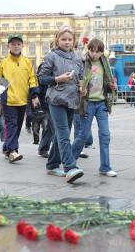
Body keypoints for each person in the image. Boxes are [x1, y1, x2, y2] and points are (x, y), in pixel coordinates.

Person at [38, 25, 84, 183]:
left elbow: (81, 76)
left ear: (74, 41)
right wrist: (58, 79)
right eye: (63, 39)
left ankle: (52, 165)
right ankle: (70, 167)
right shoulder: (51, 56)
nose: (66, 42)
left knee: (60, 134)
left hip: (72, 99)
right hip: (56, 99)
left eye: (69, 39)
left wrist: (82, 86)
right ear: (57, 40)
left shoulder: (77, 57)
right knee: (64, 134)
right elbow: (42, 78)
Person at [71, 38, 117, 177]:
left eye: (97, 52)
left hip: (101, 103)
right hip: (87, 103)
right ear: (88, 49)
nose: (94, 54)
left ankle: (105, 167)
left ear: (102, 52)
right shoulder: (82, 62)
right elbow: (75, 81)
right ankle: (69, 161)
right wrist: (80, 89)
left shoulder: (105, 63)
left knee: (105, 135)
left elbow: (107, 82)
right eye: (92, 50)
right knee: (83, 135)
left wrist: (111, 86)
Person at [0, 33, 39, 163]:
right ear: (8, 46)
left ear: (22, 45)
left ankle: (6, 148)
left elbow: (32, 79)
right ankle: (13, 151)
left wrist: (34, 95)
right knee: (12, 124)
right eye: (13, 44)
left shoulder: (27, 62)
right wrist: (1, 89)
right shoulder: (4, 62)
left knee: (18, 126)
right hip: (8, 100)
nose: (16, 46)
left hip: (23, 100)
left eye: (18, 44)